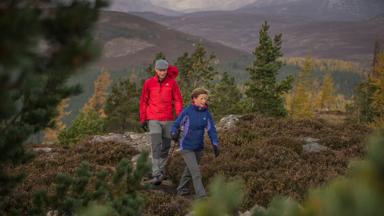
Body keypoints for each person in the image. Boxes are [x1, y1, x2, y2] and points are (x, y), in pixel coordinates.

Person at [140, 59, 183, 185]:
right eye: (160, 70)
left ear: (167, 70)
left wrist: (179, 118)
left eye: (164, 70)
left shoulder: (172, 83)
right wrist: (143, 118)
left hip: (168, 119)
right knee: (156, 145)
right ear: (155, 69)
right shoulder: (149, 83)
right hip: (153, 119)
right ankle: (156, 173)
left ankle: (161, 171)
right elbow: (144, 101)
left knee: (166, 147)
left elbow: (178, 101)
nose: (162, 72)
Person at [171, 87, 220, 199]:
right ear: (194, 99)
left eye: (205, 99)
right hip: (186, 147)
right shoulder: (187, 111)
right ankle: (201, 196)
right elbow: (176, 124)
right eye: (202, 98)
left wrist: (215, 144)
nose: (204, 101)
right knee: (196, 172)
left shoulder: (206, 113)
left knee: (189, 170)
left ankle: (181, 189)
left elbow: (211, 129)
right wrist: (173, 133)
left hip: (199, 147)